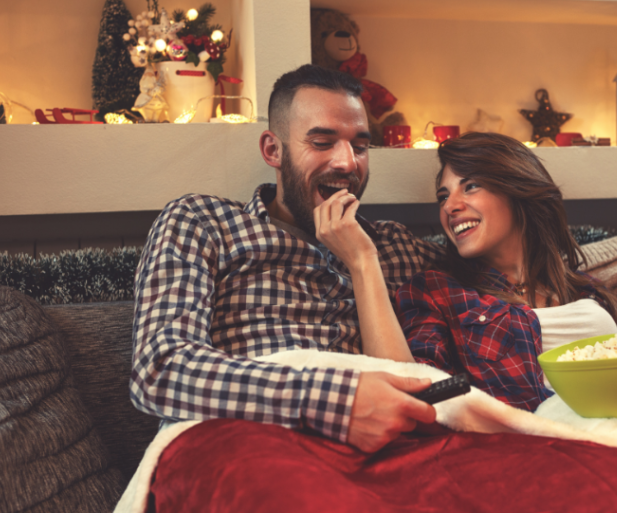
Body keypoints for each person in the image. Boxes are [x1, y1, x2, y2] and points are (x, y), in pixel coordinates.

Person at [129, 63, 444, 453]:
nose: (347, 163)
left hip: (381, 451)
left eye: (360, 146)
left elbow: (500, 274)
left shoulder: (391, 245)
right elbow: (161, 370)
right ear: (273, 150)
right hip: (252, 444)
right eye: (323, 142)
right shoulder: (203, 222)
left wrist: (364, 258)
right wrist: (331, 402)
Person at [394, 131, 617, 411]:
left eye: (470, 186)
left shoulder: (582, 288)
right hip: (530, 449)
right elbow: (415, 388)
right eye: (443, 196)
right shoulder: (436, 291)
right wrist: (362, 259)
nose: (450, 206)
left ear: (516, 189)